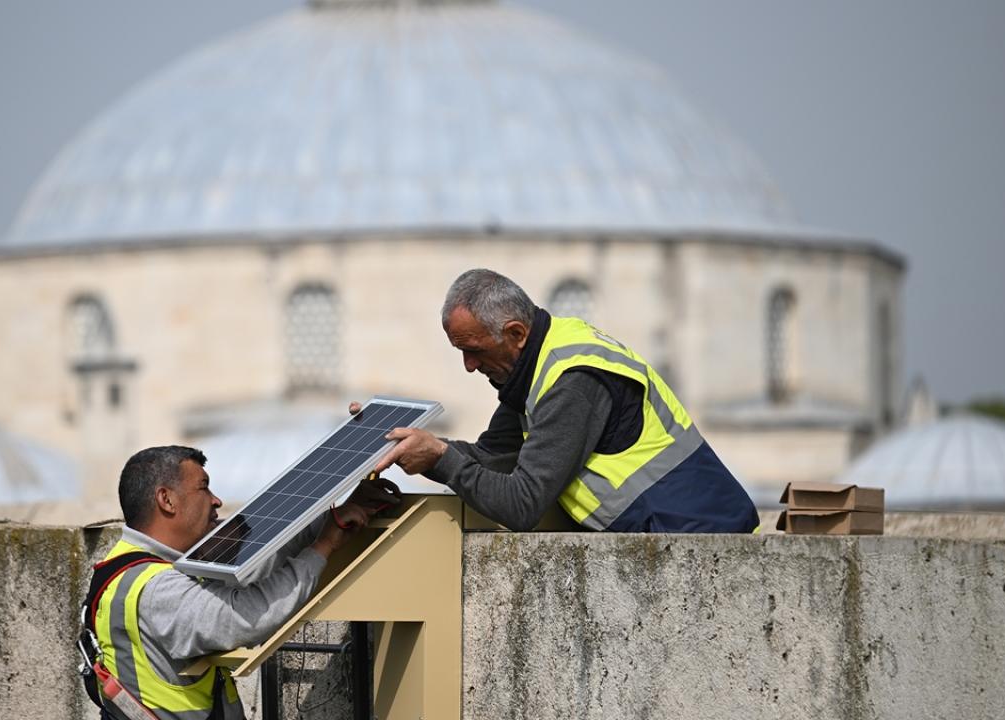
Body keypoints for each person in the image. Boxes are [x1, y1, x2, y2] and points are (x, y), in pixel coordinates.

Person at [371, 268, 758, 533]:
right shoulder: (532, 366)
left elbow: (521, 502)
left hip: (698, 537)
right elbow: (492, 457)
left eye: (474, 350)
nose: (469, 366)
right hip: (665, 536)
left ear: (516, 333)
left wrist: (440, 457)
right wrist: (407, 444)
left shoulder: (570, 382)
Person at [80, 445, 398, 719]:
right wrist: (324, 545)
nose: (217, 501)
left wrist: (330, 519)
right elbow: (248, 614)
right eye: (203, 487)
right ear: (167, 500)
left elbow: (250, 566)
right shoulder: (158, 591)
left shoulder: (126, 566)